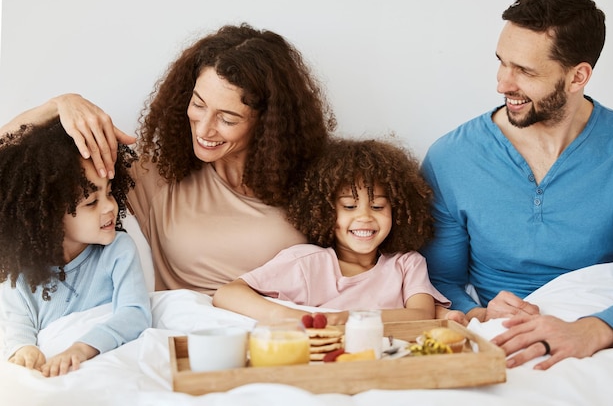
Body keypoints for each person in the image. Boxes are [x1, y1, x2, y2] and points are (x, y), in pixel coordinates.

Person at [0, 24, 336, 295]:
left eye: (228, 119)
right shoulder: (157, 177)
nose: (204, 128)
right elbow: (10, 171)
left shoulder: (316, 182)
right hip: (193, 344)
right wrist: (57, 105)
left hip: (291, 338)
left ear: (268, 124)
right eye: (198, 104)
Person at [420, 0, 613, 370]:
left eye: (525, 71)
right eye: (501, 62)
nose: (503, 84)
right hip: (502, 333)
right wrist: (479, 311)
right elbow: (438, 282)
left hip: (601, 335)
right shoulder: (452, 158)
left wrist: (593, 330)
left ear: (577, 76)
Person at [213, 138, 451, 324]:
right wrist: (289, 317)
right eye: (349, 206)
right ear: (326, 212)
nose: (365, 217)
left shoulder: (407, 264)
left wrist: (344, 319)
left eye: (378, 206)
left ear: (397, 211)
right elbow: (227, 294)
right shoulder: (306, 262)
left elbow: (421, 314)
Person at [0, 118, 152, 377]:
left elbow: (135, 313)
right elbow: (16, 323)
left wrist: (81, 349)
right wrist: (24, 349)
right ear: (49, 215)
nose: (110, 207)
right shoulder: (20, 273)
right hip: (54, 372)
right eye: (92, 202)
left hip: (103, 366)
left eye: (110, 192)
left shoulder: (118, 250)